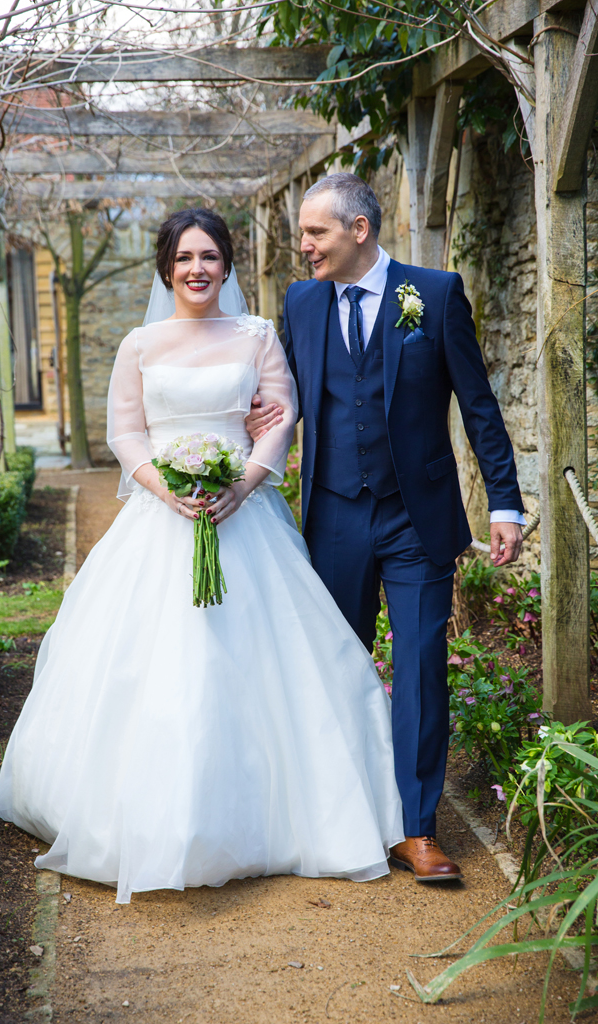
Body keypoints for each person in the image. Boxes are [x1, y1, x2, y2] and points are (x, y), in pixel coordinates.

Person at [0, 207, 404, 904]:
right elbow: (125, 433)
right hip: (160, 518)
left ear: (226, 264)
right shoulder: (139, 344)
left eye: (209, 256)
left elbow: (279, 417)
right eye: (184, 257)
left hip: (246, 517)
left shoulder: (256, 335)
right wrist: (168, 491)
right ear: (166, 266)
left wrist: (240, 485)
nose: (197, 269)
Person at [247, 173, 525, 883]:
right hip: (333, 514)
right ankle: (343, 815)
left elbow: (478, 404)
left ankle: (416, 829)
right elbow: (279, 403)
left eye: (315, 233)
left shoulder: (430, 295)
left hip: (416, 518)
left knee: (422, 671)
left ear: (358, 230)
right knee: (337, 666)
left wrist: (503, 504)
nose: (303, 245)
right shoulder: (302, 302)